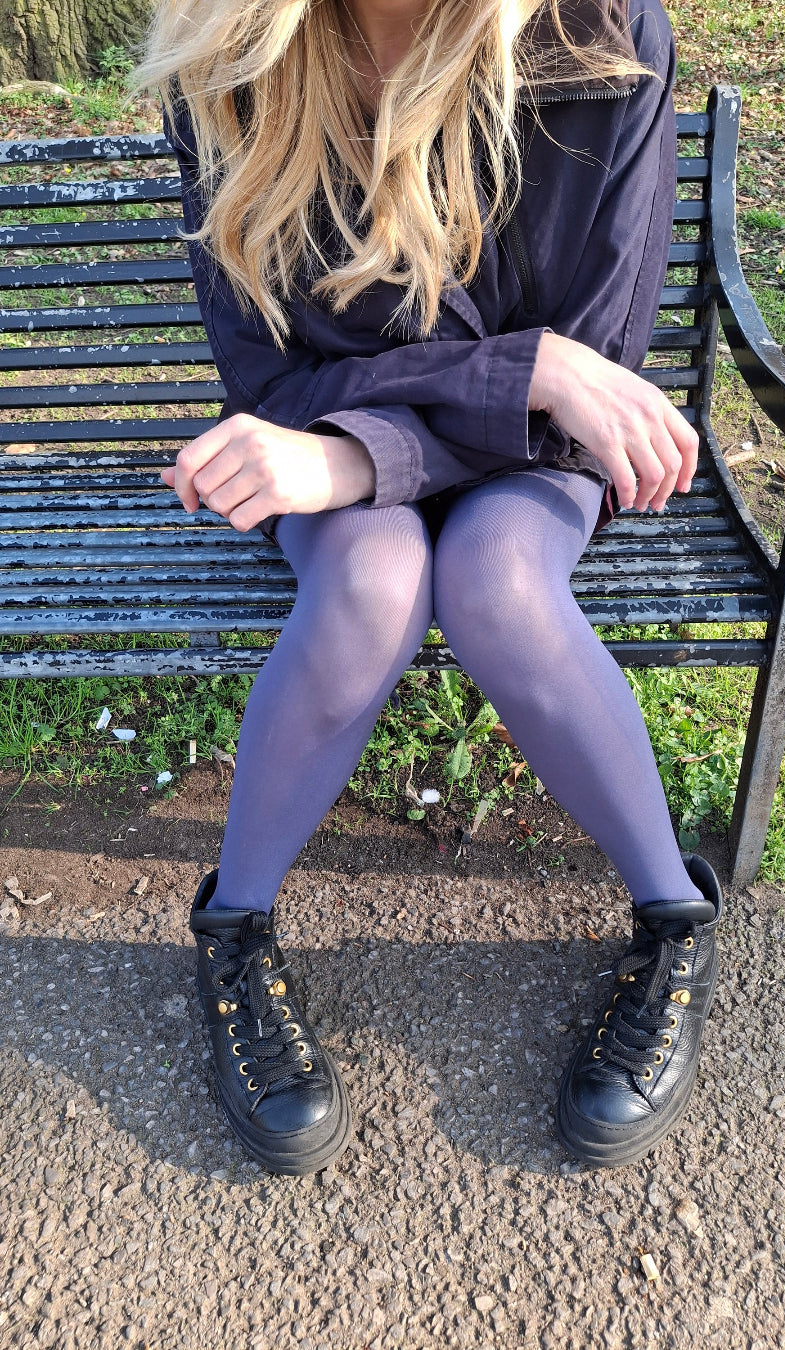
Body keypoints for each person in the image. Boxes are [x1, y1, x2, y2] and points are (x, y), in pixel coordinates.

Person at [138, 0, 723, 1177]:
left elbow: (593, 372)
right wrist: (516, 374)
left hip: (527, 460)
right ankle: (233, 933)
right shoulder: (228, 56)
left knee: (498, 577)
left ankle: (676, 924)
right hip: (333, 439)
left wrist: (519, 388)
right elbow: (267, 374)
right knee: (371, 574)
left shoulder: (603, 35)